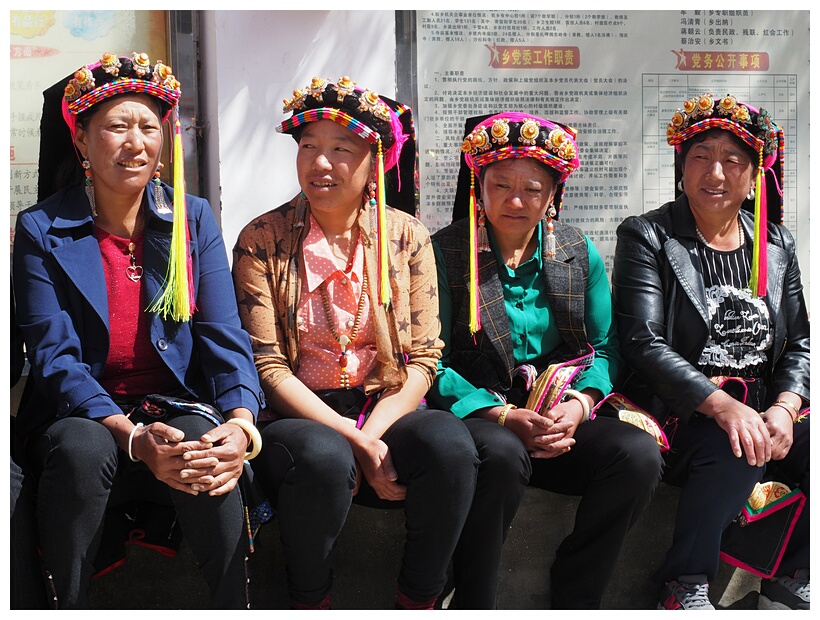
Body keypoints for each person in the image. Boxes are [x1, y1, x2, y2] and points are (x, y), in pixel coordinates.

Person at [12, 52, 265, 609]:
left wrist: (241, 426)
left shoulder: (191, 219)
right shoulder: (40, 229)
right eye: (117, 127)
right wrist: (130, 437)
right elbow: (54, 358)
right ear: (80, 140)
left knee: (206, 449)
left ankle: (234, 601)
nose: (136, 143)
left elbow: (226, 337)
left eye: (149, 127)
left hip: (173, 406)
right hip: (82, 415)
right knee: (79, 448)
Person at [232, 76, 479, 610]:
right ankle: (310, 600)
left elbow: (425, 355)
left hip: (385, 402)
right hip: (300, 412)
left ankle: (420, 597)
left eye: (341, 150)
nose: (320, 163)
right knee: (322, 457)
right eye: (308, 147)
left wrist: (374, 433)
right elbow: (267, 367)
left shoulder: (406, 234)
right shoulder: (263, 239)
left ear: (376, 161)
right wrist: (354, 440)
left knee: (451, 447)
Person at [426, 112, 664, 609]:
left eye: (533, 188)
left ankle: (576, 596)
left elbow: (606, 346)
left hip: (560, 411)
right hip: (481, 411)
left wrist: (578, 405)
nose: (516, 200)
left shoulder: (578, 251)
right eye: (501, 185)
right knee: (501, 455)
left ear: (553, 194)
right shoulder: (444, 253)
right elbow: (430, 359)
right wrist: (503, 415)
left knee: (637, 457)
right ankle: (474, 601)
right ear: (479, 185)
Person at [612, 92, 810, 610]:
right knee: (735, 441)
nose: (715, 172)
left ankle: (794, 574)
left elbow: (800, 342)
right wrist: (722, 405)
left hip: (763, 402)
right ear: (682, 166)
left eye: (732, 160)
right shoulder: (649, 236)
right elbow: (642, 341)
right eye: (701, 156)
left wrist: (787, 407)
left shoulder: (774, 243)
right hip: (682, 411)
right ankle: (685, 584)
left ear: (754, 175)